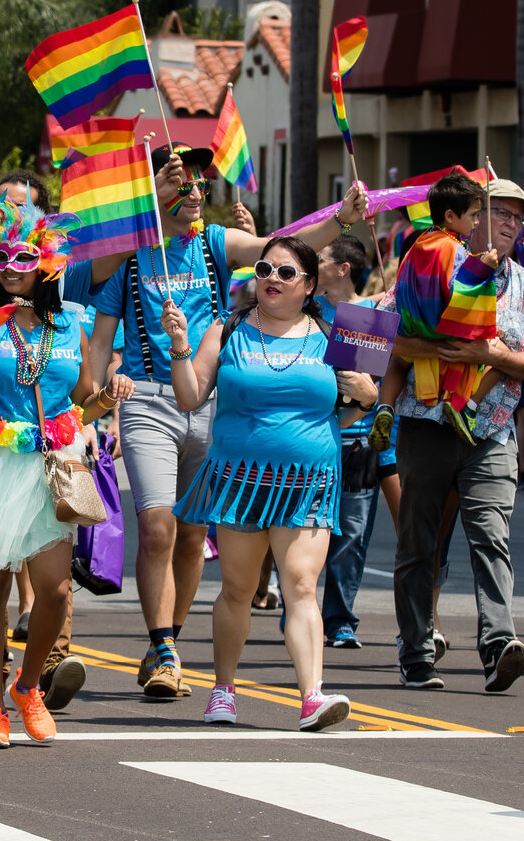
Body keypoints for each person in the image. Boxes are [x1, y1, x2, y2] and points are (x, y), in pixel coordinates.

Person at [88, 138, 368, 698]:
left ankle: (170, 636)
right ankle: (164, 648)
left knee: (193, 536)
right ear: (152, 190)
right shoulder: (126, 254)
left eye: (200, 183)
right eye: (179, 182)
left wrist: (340, 217)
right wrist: (95, 407)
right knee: (158, 526)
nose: (196, 192)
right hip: (148, 397)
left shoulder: (215, 243)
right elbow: (99, 341)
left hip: (216, 397)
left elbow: (280, 246)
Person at [0, 202, 133, 747]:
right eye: (5, 256)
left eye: (26, 256)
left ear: (47, 265)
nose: (14, 265)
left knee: (56, 591)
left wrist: (107, 395)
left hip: (49, 466)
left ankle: (28, 686)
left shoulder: (71, 323)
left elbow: (81, 402)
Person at [162, 236, 376, 729]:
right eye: (264, 270)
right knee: (238, 589)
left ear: (309, 285)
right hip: (241, 478)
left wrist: (366, 396)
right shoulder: (228, 327)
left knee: (301, 584)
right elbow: (192, 397)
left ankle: (312, 697)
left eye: (285, 273)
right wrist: (178, 347)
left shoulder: (335, 333)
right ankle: (223, 691)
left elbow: (351, 409)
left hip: (310, 480)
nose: (272, 280)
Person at [374, 180, 524, 690]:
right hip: (425, 426)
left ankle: (498, 644)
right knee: (419, 543)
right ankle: (415, 651)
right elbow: (371, 335)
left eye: (520, 218)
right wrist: (427, 345)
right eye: (501, 213)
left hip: (492, 433)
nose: (511, 224)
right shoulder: (428, 261)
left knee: (491, 536)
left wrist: (492, 356)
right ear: (472, 217)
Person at [370, 172, 502, 448]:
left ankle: (385, 406)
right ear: (451, 216)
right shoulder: (454, 248)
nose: (478, 222)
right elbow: (461, 291)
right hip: (443, 327)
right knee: (495, 351)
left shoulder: (419, 244)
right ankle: (463, 405)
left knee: (399, 361)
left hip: (413, 326)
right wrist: (484, 268)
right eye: (475, 215)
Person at [312, 236, 396, 648]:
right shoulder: (303, 312)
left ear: (343, 268)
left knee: (352, 536)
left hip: (358, 440)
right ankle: (301, 609)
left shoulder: (372, 316)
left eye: (321, 258)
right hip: (310, 438)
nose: (314, 264)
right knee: (306, 532)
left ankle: (339, 620)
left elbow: (372, 381)